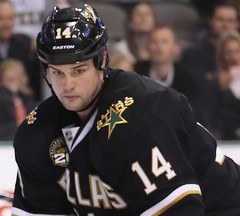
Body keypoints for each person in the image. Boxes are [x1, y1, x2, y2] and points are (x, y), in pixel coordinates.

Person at [12, 4, 240, 215]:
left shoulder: (142, 116)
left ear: (102, 61)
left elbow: (180, 211)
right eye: (57, 72)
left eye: (78, 70)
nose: (67, 85)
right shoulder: (37, 134)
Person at [135, 25, 195, 101]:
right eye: (154, 41)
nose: (159, 47)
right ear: (147, 46)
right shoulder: (135, 74)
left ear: (175, 47)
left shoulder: (188, 79)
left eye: (164, 42)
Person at [207, 31, 240, 140]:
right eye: (228, 52)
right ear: (222, 56)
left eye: (237, 51)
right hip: (226, 138)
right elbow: (213, 118)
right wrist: (222, 90)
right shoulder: (215, 83)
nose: (233, 57)